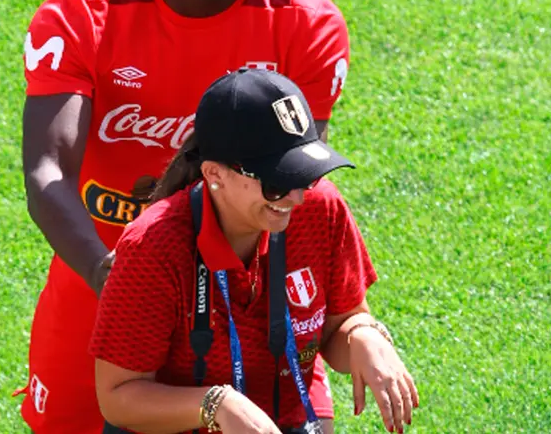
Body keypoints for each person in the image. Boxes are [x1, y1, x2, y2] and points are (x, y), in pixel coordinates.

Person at [17, 0, 352, 431]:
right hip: (99, 282)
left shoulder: (305, 23)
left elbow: (289, 187)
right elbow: (47, 174)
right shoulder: (83, 16)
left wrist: (353, 324)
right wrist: (111, 277)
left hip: (246, 299)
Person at [91, 69, 419, 434]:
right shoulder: (153, 248)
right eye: (277, 182)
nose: (296, 198)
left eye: (305, 175)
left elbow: (337, 325)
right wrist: (216, 405)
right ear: (214, 173)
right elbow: (118, 397)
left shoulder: (319, 208)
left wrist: (363, 334)